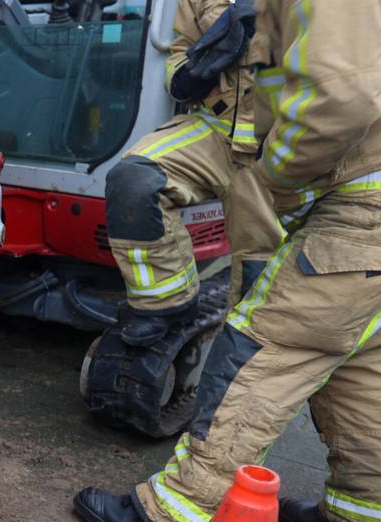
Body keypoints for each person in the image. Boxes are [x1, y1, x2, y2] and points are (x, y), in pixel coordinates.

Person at [75, 0, 381, 522]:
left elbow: (342, 98)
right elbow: (180, 57)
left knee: (265, 345)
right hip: (360, 189)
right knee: (361, 357)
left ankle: (179, 514)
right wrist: (194, 69)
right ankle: (373, 517)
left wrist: (274, 183)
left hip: (355, 195)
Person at [104, 0, 278, 346]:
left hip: (279, 144)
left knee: (261, 273)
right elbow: (178, 54)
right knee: (134, 179)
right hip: (216, 131)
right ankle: (166, 303)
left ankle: (253, 353)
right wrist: (191, 77)